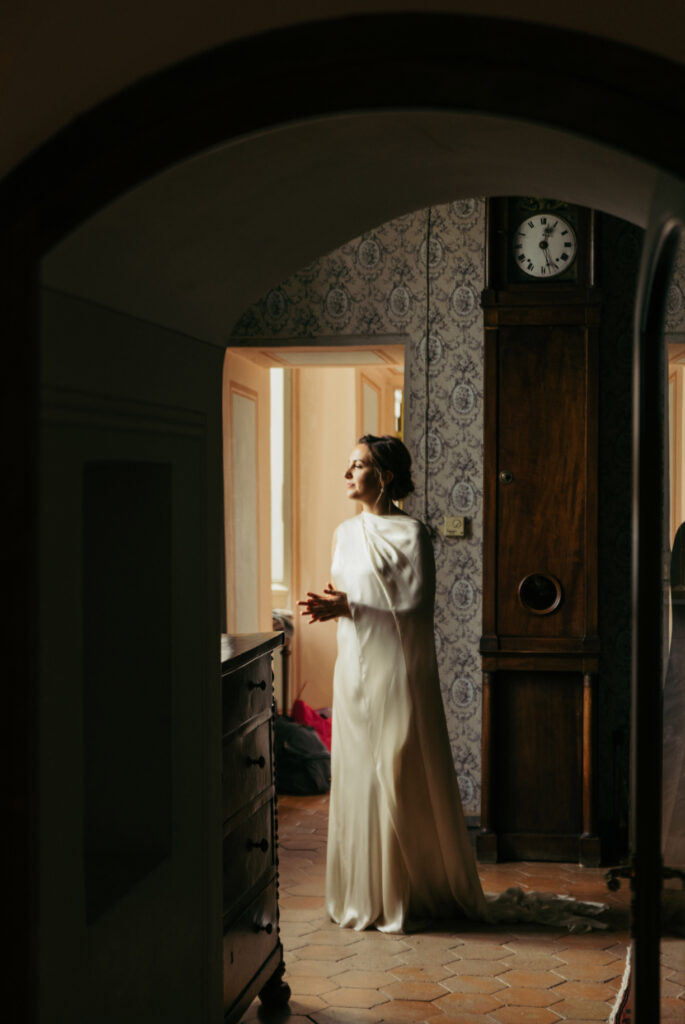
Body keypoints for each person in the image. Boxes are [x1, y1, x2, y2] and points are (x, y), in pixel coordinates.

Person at [299, 435, 606, 933]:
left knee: (397, 771)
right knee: (358, 776)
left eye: (358, 465)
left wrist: (350, 606)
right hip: (353, 669)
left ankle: (410, 888)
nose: (348, 474)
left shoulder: (412, 534)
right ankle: (363, 894)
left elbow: (416, 606)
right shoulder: (343, 533)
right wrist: (338, 605)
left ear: (387, 476)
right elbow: (353, 592)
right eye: (349, 465)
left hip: (397, 672)